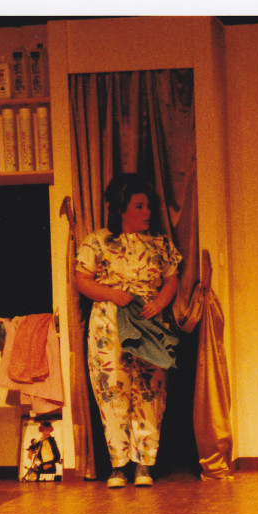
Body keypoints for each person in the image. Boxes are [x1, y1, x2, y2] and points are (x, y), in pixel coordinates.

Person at [75, 175, 182, 489]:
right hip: (108, 323)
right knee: (112, 389)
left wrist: (158, 304)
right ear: (122, 209)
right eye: (139, 206)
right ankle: (118, 465)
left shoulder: (160, 243)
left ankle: (144, 463)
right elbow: (82, 280)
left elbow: (171, 279)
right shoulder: (98, 241)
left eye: (148, 206)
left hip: (148, 319)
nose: (146, 212)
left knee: (150, 390)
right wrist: (111, 294)